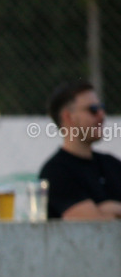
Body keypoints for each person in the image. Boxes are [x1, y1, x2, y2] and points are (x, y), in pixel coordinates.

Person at [38, 79, 121, 220]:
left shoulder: (111, 164)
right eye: (93, 110)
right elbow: (91, 224)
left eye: (101, 108)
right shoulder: (56, 172)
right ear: (68, 117)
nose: (101, 115)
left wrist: (108, 209)